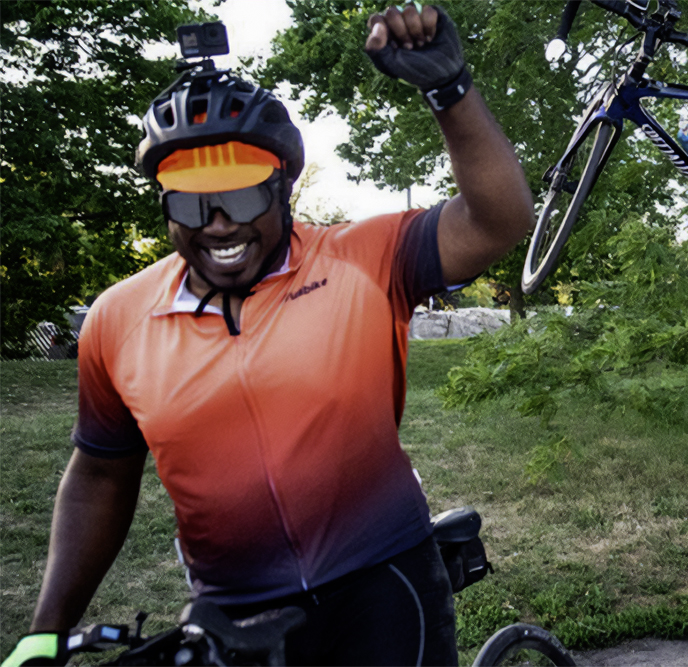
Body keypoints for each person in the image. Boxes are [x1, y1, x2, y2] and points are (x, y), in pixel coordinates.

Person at [2, 5, 533, 667]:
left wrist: (449, 91)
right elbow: (102, 473)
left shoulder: (363, 261)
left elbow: (500, 219)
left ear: (283, 184)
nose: (219, 225)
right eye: (193, 203)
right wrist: (44, 631)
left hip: (383, 584)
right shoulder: (119, 318)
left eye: (243, 198)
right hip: (235, 612)